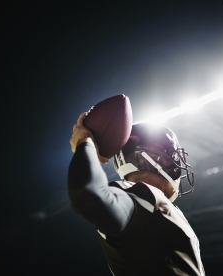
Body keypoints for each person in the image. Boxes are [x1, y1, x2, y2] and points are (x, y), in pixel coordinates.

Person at [68, 112, 205, 275]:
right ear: (155, 157)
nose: (177, 161)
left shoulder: (152, 202)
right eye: (172, 154)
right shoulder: (143, 195)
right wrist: (84, 141)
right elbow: (88, 193)